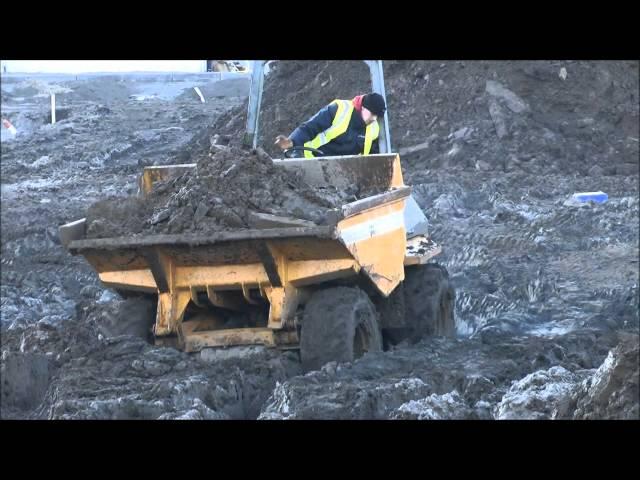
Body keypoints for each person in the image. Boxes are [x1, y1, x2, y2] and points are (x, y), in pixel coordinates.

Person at [274, 92, 386, 158]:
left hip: (343, 172)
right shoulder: (339, 109)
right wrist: (292, 142)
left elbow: (373, 154)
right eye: (372, 114)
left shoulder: (374, 128)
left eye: (377, 116)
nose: (374, 119)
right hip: (313, 161)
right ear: (362, 107)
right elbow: (310, 127)